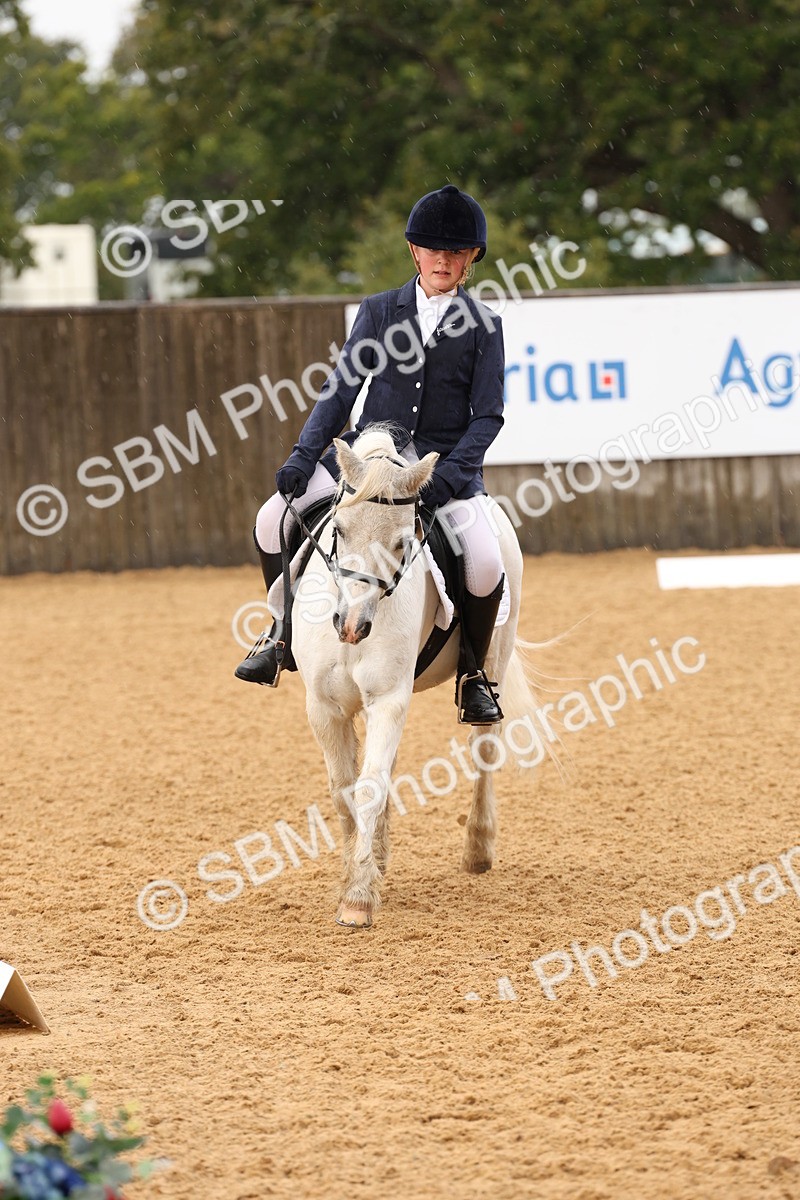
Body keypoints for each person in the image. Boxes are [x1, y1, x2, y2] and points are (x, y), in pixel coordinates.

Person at [235, 183, 507, 724]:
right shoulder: (380, 311)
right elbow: (340, 391)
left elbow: (487, 417)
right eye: (434, 249)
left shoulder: (484, 326)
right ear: (415, 251)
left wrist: (450, 477)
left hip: (439, 474)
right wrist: (303, 455)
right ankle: (280, 632)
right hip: (369, 465)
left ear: (471, 257)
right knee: (271, 519)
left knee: (485, 561)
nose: (444, 260)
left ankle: (474, 674)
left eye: (456, 252)